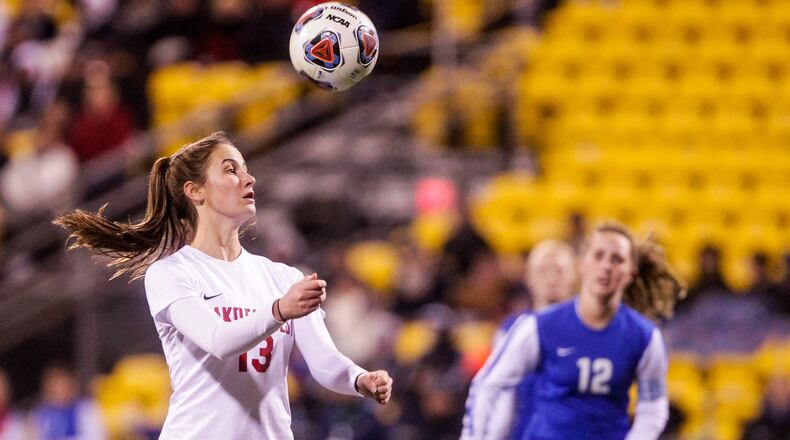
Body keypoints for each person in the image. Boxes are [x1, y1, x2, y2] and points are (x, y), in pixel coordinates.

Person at [54, 131, 393, 439]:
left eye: (245, 168)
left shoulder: (282, 277)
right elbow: (219, 340)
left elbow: (324, 361)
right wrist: (279, 310)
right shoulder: (171, 273)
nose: (249, 177)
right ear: (195, 191)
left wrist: (358, 379)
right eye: (231, 170)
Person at [462, 222, 685, 440]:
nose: (606, 266)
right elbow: (493, 388)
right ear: (583, 264)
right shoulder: (534, 327)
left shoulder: (643, 337)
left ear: (631, 272)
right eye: (599, 256)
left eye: (617, 259)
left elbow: (653, 406)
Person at [492, 240, 578, 440]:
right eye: (542, 270)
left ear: (575, 276)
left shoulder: (595, 329)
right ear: (528, 278)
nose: (551, 279)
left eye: (558, 271)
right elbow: (501, 395)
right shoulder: (511, 329)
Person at [30, 364, 106, 440]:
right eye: (54, 387)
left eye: (63, 385)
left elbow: (96, 437)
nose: (59, 391)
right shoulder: (40, 414)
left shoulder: (87, 409)